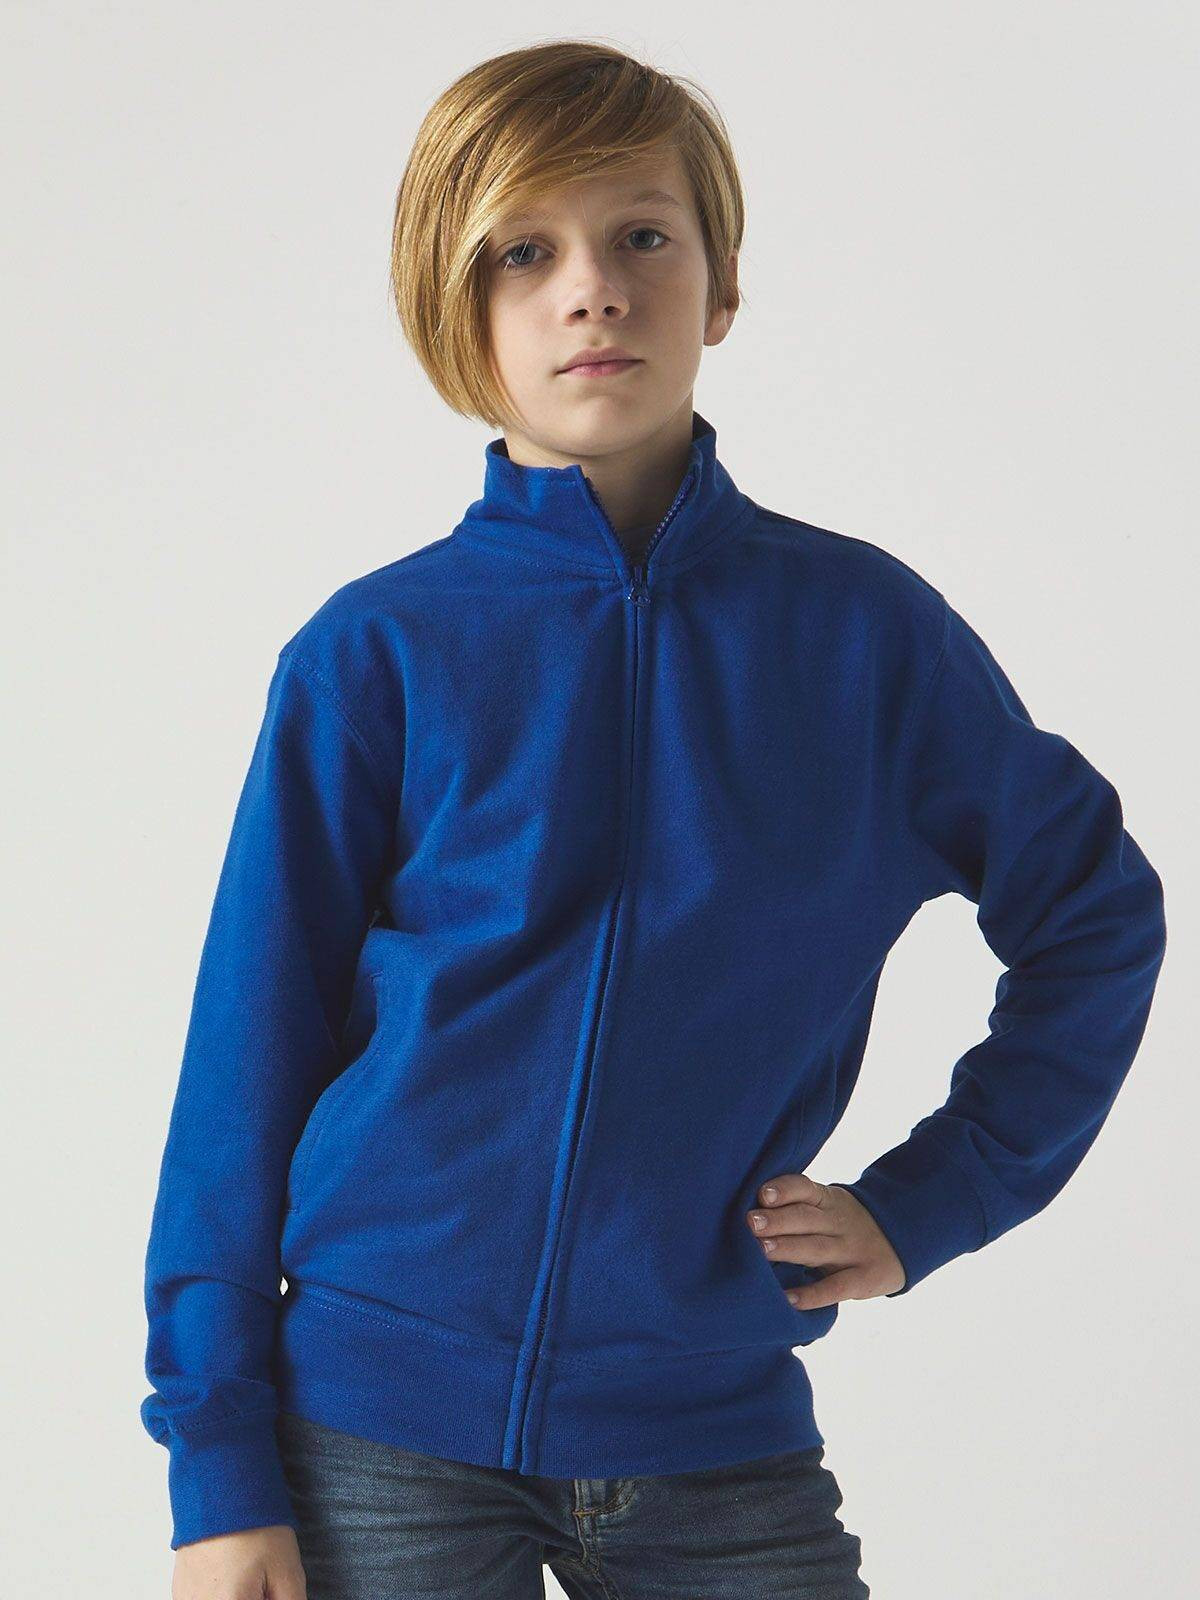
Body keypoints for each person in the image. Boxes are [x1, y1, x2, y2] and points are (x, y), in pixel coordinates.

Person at [140, 39, 1168, 1600]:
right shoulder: (378, 654)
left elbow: (1093, 914)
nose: (593, 293)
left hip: (713, 1435)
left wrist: (933, 1202)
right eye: (524, 252)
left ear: (722, 284)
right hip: (375, 1433)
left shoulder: (864, 640)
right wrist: (217, 1467)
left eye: (642, 237)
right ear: (453, 305)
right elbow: (245, 1057)